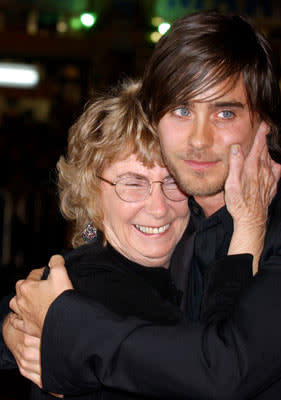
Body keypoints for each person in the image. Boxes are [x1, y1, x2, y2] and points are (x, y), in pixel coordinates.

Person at [4, 10, 281, 399]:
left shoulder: (213, 228)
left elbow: (219, 368)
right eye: (132, 184)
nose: (157, 207)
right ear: (91, 194)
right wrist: (17, 321)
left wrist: (59, 322)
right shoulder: (87, 278)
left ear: (261, 121)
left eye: (224, 112)